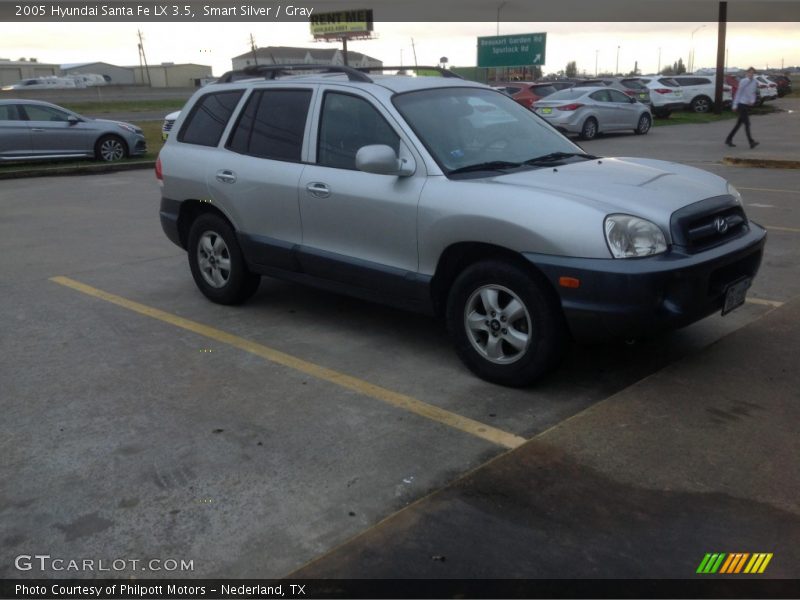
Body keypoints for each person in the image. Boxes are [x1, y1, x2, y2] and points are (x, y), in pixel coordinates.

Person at [725, 67, 760, 148]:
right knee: (747, 124)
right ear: (747, 73)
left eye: (752, 73)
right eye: (749, 73)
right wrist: (735, 105)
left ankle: (728, 139)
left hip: (747, 105)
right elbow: (739, 93)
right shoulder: (743, 81)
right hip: (741, 104)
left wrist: (752, 101)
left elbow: (753, 93)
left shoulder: (754, 82)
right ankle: (751, 142)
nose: (751, 74)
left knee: (738, 124)